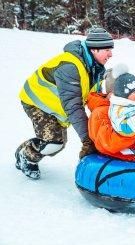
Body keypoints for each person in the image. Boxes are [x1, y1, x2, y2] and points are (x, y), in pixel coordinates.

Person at [15, 27, 114, 179]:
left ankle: (26, 148)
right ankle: (26, 155)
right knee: (53, 143)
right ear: (94, 49)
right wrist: (88, 139)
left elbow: (93, 98)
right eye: (107, 49)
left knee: (57, 145)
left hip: (56, 106)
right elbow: (73, 106)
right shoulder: (70, 67)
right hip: (38, 102)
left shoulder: (95, 68)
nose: (110, 54)